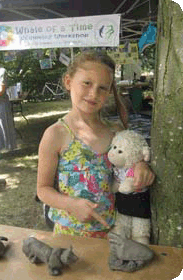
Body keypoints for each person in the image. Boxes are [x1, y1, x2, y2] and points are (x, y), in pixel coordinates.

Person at [37, 50, 155, 239]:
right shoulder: (55, 134)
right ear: (68, 82)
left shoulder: (115, 132)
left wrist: (141, 165)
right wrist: (71, 204)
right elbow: (43, 189)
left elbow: (131, 160)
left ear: (109, 91)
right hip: (70, 234)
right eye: (87, 83)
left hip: (114, 230)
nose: (93, 93)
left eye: (102, 88)